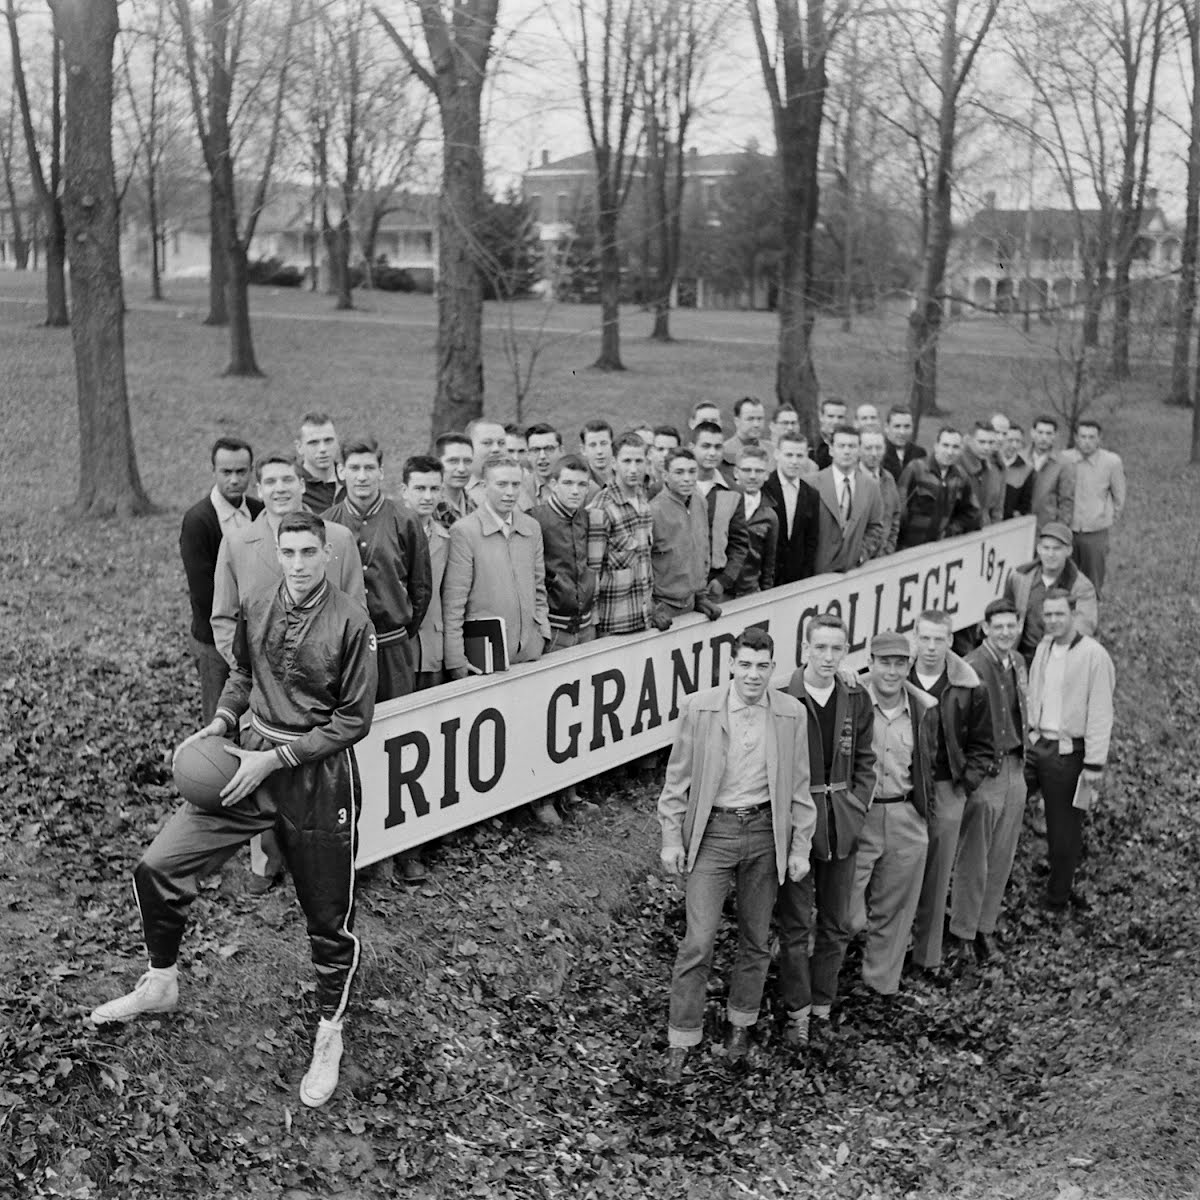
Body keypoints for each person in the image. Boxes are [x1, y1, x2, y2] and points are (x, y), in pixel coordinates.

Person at [91, 512, 378, 1111]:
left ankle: (330, 1029)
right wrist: (220, 722)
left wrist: (275, 760)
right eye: (288, 553)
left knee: (328, 914)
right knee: (158, 865)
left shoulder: (352, 620)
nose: (297, 564)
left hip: (316, 778)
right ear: (277, 553)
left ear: (327, 553)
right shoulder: (258, 600)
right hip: (247, 761)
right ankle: (161, 981)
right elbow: (243, 673)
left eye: (308, 552)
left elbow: (353, 721)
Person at [658, 627, 816, 1080]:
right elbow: (677, 780)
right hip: (714, 831)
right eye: (745, 664)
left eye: (762, 666)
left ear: (773, 668)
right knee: (699, 939)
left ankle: (740, 1024)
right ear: (731, 665)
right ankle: (681, 1036)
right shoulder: (701, 709)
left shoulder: (790, 714)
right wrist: (672, 837)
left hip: (765, 831)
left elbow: (800, 787)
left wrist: (800, 846)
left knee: (755, 936)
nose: (753, 674)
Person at [210, 453, 367, 895]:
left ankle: (316, 875)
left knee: (316, 811)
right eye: (271, 481)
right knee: (263, 789)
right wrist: (252, 675)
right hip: (263, 697)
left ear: (302, 485)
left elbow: (354, 607)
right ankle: (265, 862)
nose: (298, 563)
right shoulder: (240, 546)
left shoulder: (337, 542)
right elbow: (226, 620)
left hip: (317, 707)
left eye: (288, 480)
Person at [777, 614, 876, 1044]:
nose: (829, 657)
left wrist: (855, 805)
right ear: (805, 649)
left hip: (842, 822)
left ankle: (822, 1007)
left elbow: (867, 761)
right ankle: (796, 1011)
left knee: (836, 923)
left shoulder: (855, 696)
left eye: (838, 649)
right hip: (799, 823)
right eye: (821, 647)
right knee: (796, 924)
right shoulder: (783, 696)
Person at [848, 631, 938, 1000]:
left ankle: (879, 987)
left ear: (909, 666)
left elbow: (933, 763)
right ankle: (816, 982)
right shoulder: (851, 699)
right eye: (884, 662)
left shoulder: (921, 709)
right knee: (846, 912)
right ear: (870, 661)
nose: (892, 671)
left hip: (904, 813)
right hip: (860, 816)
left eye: (900, 663)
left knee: (895, 907)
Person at [907, 610, 993, 975]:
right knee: (901, 869)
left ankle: (926, 958)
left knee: (937, 872)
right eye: (924, 638)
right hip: (903, 787)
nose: (930, 647)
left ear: (950, 640)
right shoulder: (899, 675)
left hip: (945, 786)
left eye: (938, 639)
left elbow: (983, 745)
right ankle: (891, 949)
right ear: (914, 637)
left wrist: (964, 784)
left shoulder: (967, 685)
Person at [1025, 589, 1115, 912]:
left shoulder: (1094, 656)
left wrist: (1093, 764)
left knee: (1063, 829)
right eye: (1047, 615)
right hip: (1036, 745)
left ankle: (1057, 897)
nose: (1052, 621)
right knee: (1003, 805)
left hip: (1068, 752)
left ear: (1073, 613)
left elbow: (1101, 711)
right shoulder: (1043, 647)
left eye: (1059, 614)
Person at [324, 437, 433, 702]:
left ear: (381, 472)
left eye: (370, 468)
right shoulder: (326, 523)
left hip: (392, 646)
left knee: (397, 723)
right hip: (342, 647)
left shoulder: (405, 520)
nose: (362, 476)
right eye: (354, 468)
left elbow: (421, 587)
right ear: (341, 472)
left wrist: (401, 628)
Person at [951, 599, 1028, 964]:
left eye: (1011, 626)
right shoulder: (971, 666)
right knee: (974, 857)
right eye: (998, 626)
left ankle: (985, 928)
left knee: (1002, 855)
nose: (1005, 632)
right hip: (986, 773)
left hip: (1015, 766)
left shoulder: (1017, 662)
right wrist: (970, 775)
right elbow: (957, 727)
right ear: (984, 628)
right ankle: (963, 931)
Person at [442, 457, 550, 679]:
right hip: (485, 659)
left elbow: (539, 588)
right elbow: (454, 602)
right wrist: (456, 660)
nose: (510, 492)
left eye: (515, 484)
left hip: (530, 652)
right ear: (483, 487)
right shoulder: (464, 532)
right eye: (501, 484)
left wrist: (542, 632)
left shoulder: (531, 528)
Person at [179, 436, 262, 722]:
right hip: (215, 639)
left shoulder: (258, 510)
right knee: (220, 715)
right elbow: (203, 593)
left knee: (254, 714)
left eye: (242, 472)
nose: (235, 480)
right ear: (213, 470)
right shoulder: (199, 520)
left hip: (258, 634)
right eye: (227, 472)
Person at [587, 433, 654, 636]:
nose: (633, 469)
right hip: (613, 625)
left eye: (638, 461)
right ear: (614, 463)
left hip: (643, 620)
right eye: (626, 461)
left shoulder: (644, 502)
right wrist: (594, 626)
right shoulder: (601, 508)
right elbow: (593, 572)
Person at [1005, 523, 1099, 667]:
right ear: (1038, 549)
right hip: (1022, 656)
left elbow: (1084, 627)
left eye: (1057, 549)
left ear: (1068, 551)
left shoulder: (1082, 587)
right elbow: (1006, 611)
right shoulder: (1020, 577)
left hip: (1059, 658)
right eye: (1046, 548)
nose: (1050, 554)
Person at [531, 454, 598, 650]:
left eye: (582, 485)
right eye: (568, 483)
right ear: (553, 484)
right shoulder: (536, 519)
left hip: (586, 626)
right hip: (554, 628)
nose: (575, 491)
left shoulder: (586, 518)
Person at [649, 449, 719, 624]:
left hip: (693, 601)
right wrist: (651, 609)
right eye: (679, 472)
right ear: (665, 476)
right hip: (665, 605)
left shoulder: (699, 501)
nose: (687, 478)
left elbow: (703, 548)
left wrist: (701, 595)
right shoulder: (653, 511)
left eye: (691, 471)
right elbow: (643, 564)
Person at [400, 455, 451, 693]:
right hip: (399, 650)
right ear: (404, 490)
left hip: (433, 649)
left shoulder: (446, 539)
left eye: (434, 489)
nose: (428, 496)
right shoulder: (390, 533)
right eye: (420, 488)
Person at [1062, 419, 1125, 597]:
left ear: (1099, 439)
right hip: (1068, 528)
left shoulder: (1111, 462)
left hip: (1095, 531)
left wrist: (1107, 519)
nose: (1087, 441)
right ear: (1076, 438)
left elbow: (1119, 496)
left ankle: (1091, 614)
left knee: (1093, 577)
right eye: (1083, 437)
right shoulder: (1065, 459)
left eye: (1091, 437)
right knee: (1066, 576)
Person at [689, 421, 750, 603]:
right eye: (706, 446)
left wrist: (725, 579)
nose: (712, 453)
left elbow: (739, 543)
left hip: (715, 583)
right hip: (680, 584)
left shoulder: (733, 491)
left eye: (717, 447)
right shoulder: (674, 487)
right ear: (692, 447)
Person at [812, 425, 885, 573]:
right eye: (841, 446)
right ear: (831, 450)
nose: (846, 451)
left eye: (852, 446)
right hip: (817, 572)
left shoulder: (871, 486)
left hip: (851, 573)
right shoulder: (813, 483)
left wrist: (859, 555)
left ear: (859, 450)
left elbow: (875, 527)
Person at [896, 427, 980, 550]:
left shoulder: (961, 476)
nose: (950, 452)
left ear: (961, 450)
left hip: (939, 551)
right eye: (945, 445)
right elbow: (898, 508)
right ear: (936, 446)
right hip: (907, 548)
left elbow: (972, 512)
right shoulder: (916, 469)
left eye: (955, 447)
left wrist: (952, 530)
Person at [763, 431, 820, 585]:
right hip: (767, 578)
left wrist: (807, 577)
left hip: (797, 578)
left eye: (800, 456)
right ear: (777, 454)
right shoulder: (765, 488)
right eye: (789, 455)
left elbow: (811, 541)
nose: (794, 461)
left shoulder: (811, 494)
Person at [731, 445, 778, 596]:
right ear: (736, 472)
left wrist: (766, 594)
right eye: (746, 470)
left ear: (767, 475)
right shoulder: (724, 503)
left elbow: (769, 564)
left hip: (750, 592)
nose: (752, 476)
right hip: (721, 591)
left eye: (759, 471)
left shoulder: (769, 515)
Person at [1028, 415, 1075, 530]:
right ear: (1032, 433)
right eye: (1040, 432)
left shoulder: (1063, 464)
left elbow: (1066, 502)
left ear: (1055, 436)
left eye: (1048, 434)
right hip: (1020, 526)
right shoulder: (1022, 458)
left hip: (1047, 528)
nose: (1044, 438)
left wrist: (1059, 530)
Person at [859, 429, 900, 557]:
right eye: (868, 448)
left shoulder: (888, 479)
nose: (874, 453)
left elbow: (895, 517)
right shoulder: (851, 479)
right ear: (859, 449)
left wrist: (889, 548)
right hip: (859, 557)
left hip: (883, 556)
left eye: (878, 448)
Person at [959, 422, 1004, 526]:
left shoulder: (993, 467)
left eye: (991, 442)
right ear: (969, 441)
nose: (987, 447)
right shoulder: (958, 465)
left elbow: (997, 506)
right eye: (982, 442)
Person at [296, 412, 341, 514]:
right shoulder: (292, 487)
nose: (322, 449)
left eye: (328, 440)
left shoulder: (352, 480)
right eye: (313, 443)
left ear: (337, 442)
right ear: (299, 447)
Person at [464, 419, 514, 508]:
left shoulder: (522, 486)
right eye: (487, 443)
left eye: (501, 443)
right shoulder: (455, 488)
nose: (496, 449)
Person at [433, 432, 476, 528]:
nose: (461, 469)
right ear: (438, 463)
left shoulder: (476, 507)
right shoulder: (430, 510)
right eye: (453, 461)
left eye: (467, 461)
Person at [722, 396, 767, 480]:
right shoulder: (724, 453)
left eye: (760, 419)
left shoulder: (772, 451)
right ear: (737, 421)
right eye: (750, 419)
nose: (756, 424)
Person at [998, 423, 1034, 519]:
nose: (1014, 445)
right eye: (1010, 440)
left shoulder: (1027, 469)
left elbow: (1025, 503)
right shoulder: (992, 464)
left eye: (1018, 441)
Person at [882, 406, 926, 481]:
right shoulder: (879, 452)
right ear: (886, 427)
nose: (902, 432)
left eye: (907, 426)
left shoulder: (919, 454)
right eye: (897, 426)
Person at [525, 423, 563, 507]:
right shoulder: (519, 489)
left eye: (549, 449)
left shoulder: (584, 487)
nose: (542, 456)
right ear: (528, 454)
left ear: (561, 451)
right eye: (535, 450)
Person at [580, 418, 616, 491]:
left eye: (603, 444)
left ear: (612, 446)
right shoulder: (580, 484)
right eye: (593, 445)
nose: (599, 451)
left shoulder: (624, 476)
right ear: (583, 450)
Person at [648, 424, 683, 497]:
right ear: (650, 453)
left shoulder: (685, 484)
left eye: (671, 450)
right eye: (660, 449)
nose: (665, 454)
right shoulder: (639, 483)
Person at [813, 397, 848, 470]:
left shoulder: (850, 446)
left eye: (840, 417)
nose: (836, 421)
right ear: (821, 417)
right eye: (830, 416)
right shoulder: (810, 445)